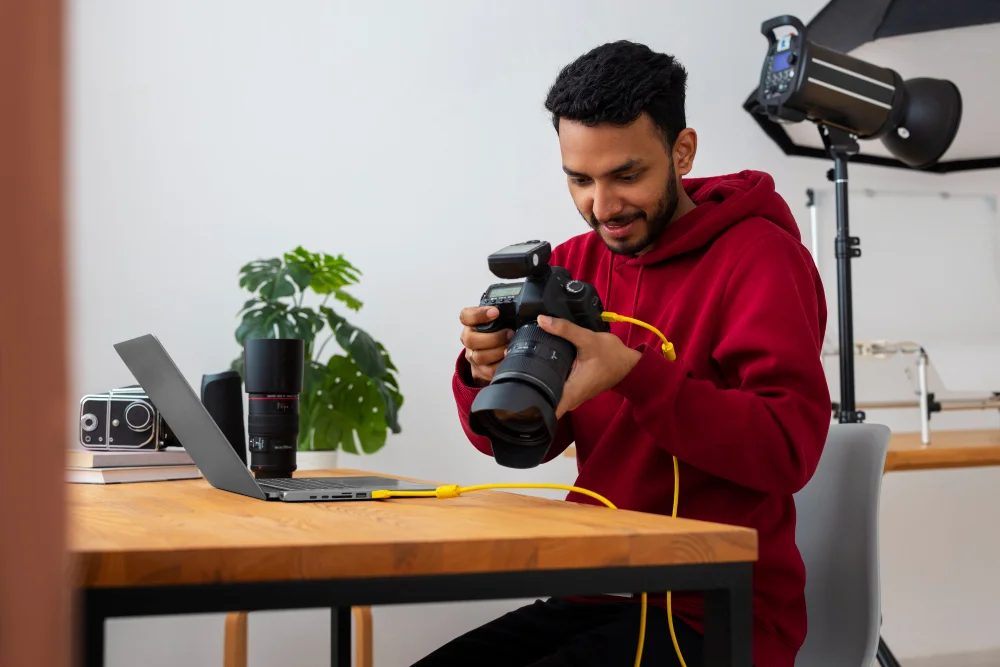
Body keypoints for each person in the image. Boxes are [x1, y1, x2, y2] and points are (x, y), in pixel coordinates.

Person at [419, 40, 832, 667]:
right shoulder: (572, 266)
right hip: (592, 590)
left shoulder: (760, 258)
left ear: (682, 151)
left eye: (626, 176)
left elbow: (789, 450)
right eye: (580, 180)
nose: (602, 207)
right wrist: (486, 373)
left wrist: (637, 377)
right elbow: (522, 447)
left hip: (719, 611)